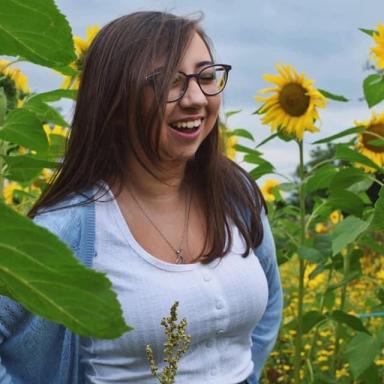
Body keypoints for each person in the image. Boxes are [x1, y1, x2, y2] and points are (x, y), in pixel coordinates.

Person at [0, 11, 283, 384]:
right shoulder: (69, 228)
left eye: (206, 76)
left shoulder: (235, 194)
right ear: (114, 103)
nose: (196, 99)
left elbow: (268, 308)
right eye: (168, 82)